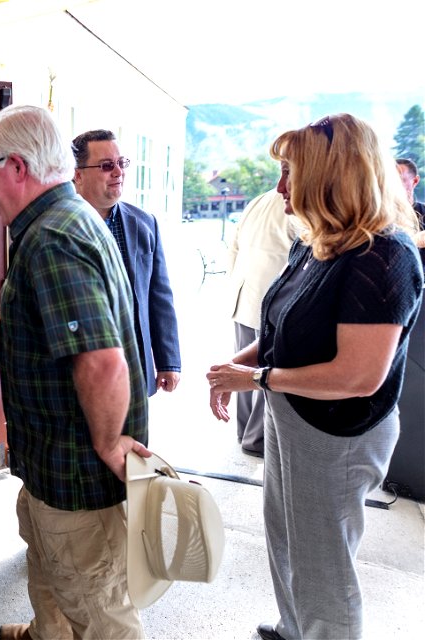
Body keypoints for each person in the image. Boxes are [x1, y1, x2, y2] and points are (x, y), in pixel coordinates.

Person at [0, 105, 152, 640]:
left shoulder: (52, 237)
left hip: (77, 475)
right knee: (54, 574)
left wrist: (108, 443)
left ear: (16, 167)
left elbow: (101, 360)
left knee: (100, 611)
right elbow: (38, 317)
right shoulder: (60, 222)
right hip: (51, 469)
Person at [207, 114, 423, 640]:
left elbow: (358, 376)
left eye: (289, 171)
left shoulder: (384, 256)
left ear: (332, 175)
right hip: (295, 415)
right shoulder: (317, 238)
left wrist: (256, 379)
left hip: (339, 435)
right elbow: (279, 323)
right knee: (285, 535)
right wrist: (242, 365)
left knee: (324, 563)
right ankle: (294, 627)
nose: (280, 185)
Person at [72, 129, 181, 396]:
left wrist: (168, 360)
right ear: (77, 175)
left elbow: (159, 295)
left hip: (135, 364)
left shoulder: (144, 223)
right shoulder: (59, 228)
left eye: (122, 163)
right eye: (107, 166)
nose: (118, 172)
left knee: (136, 438)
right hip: (81, 367)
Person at [224, 189, 299, 456]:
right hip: (269, 303)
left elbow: (232, 246)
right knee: (262, 374)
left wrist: (235, 283)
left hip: (243, 297)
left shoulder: (258, 200)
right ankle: (256, 441)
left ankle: (244, 433)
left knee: (241, 370)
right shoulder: (298, 205)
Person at [396, 158, 425, 252]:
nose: (394, 186)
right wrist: (415, 240)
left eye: (401, 180)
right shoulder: (382, 217)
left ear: (415, 181)